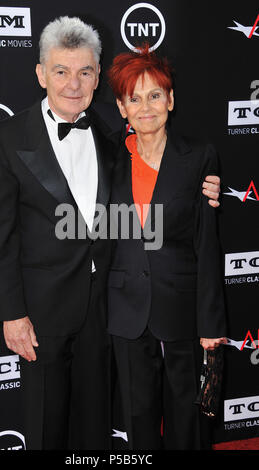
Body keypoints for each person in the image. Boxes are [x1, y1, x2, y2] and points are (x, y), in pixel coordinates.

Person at [0, 16, 221, 450]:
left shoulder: (112, 131)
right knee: (46, 425)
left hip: (103, 308)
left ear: (96, 78)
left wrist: (206, 188)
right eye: (61, 71)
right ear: (40, 74)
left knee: (96, 424)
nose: (73, 83)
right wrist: (11, 314)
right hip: (41, 312)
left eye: (85, 72)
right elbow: (0, 235)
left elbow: (164, 177)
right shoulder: (5, 138)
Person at [107, 44, 227, 450]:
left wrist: (211, 326)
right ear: (121, 108)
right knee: (138, 421)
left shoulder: (199, 158)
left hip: (183, 309)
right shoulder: (107, 161)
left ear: (171, 100)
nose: (145, 107)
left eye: (154, 95)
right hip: (124, 310)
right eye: (134, 98)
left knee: (187, 421)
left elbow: (207, 244)